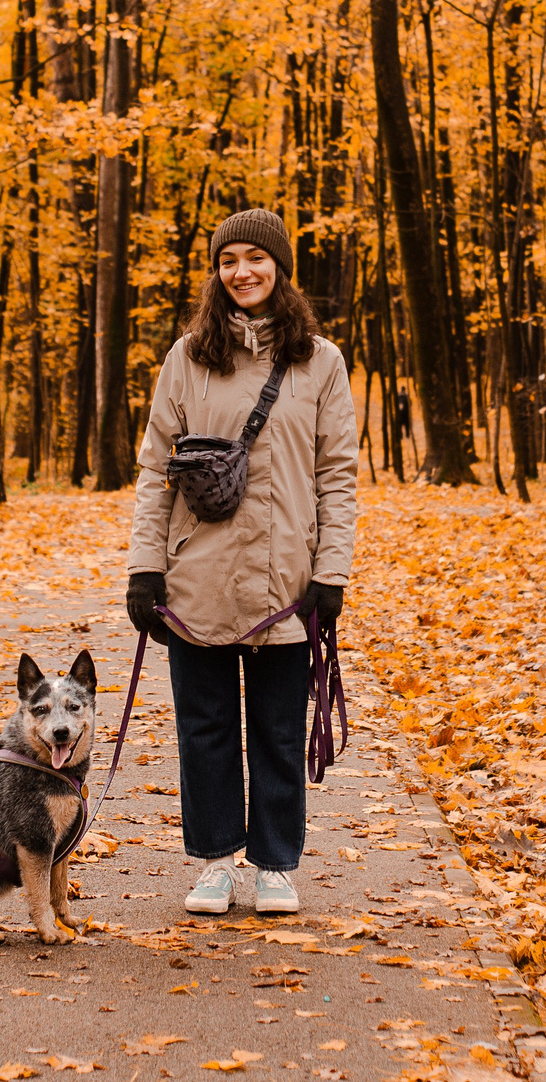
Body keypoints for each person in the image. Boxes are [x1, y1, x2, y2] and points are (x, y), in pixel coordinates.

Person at [125, 209, 358, 916]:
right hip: (198, 575)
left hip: (287, 579)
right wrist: (144, 569)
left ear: (280, 268)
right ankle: (214, 860)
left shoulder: (320, 361)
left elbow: (339, 474)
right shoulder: (186, 357)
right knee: (206, 728)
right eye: (230, 261)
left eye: (257, 258)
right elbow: (153, 469)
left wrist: (331, 573)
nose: (243, 272)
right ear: (216, 273)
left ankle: (275, 865)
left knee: (279, 730)